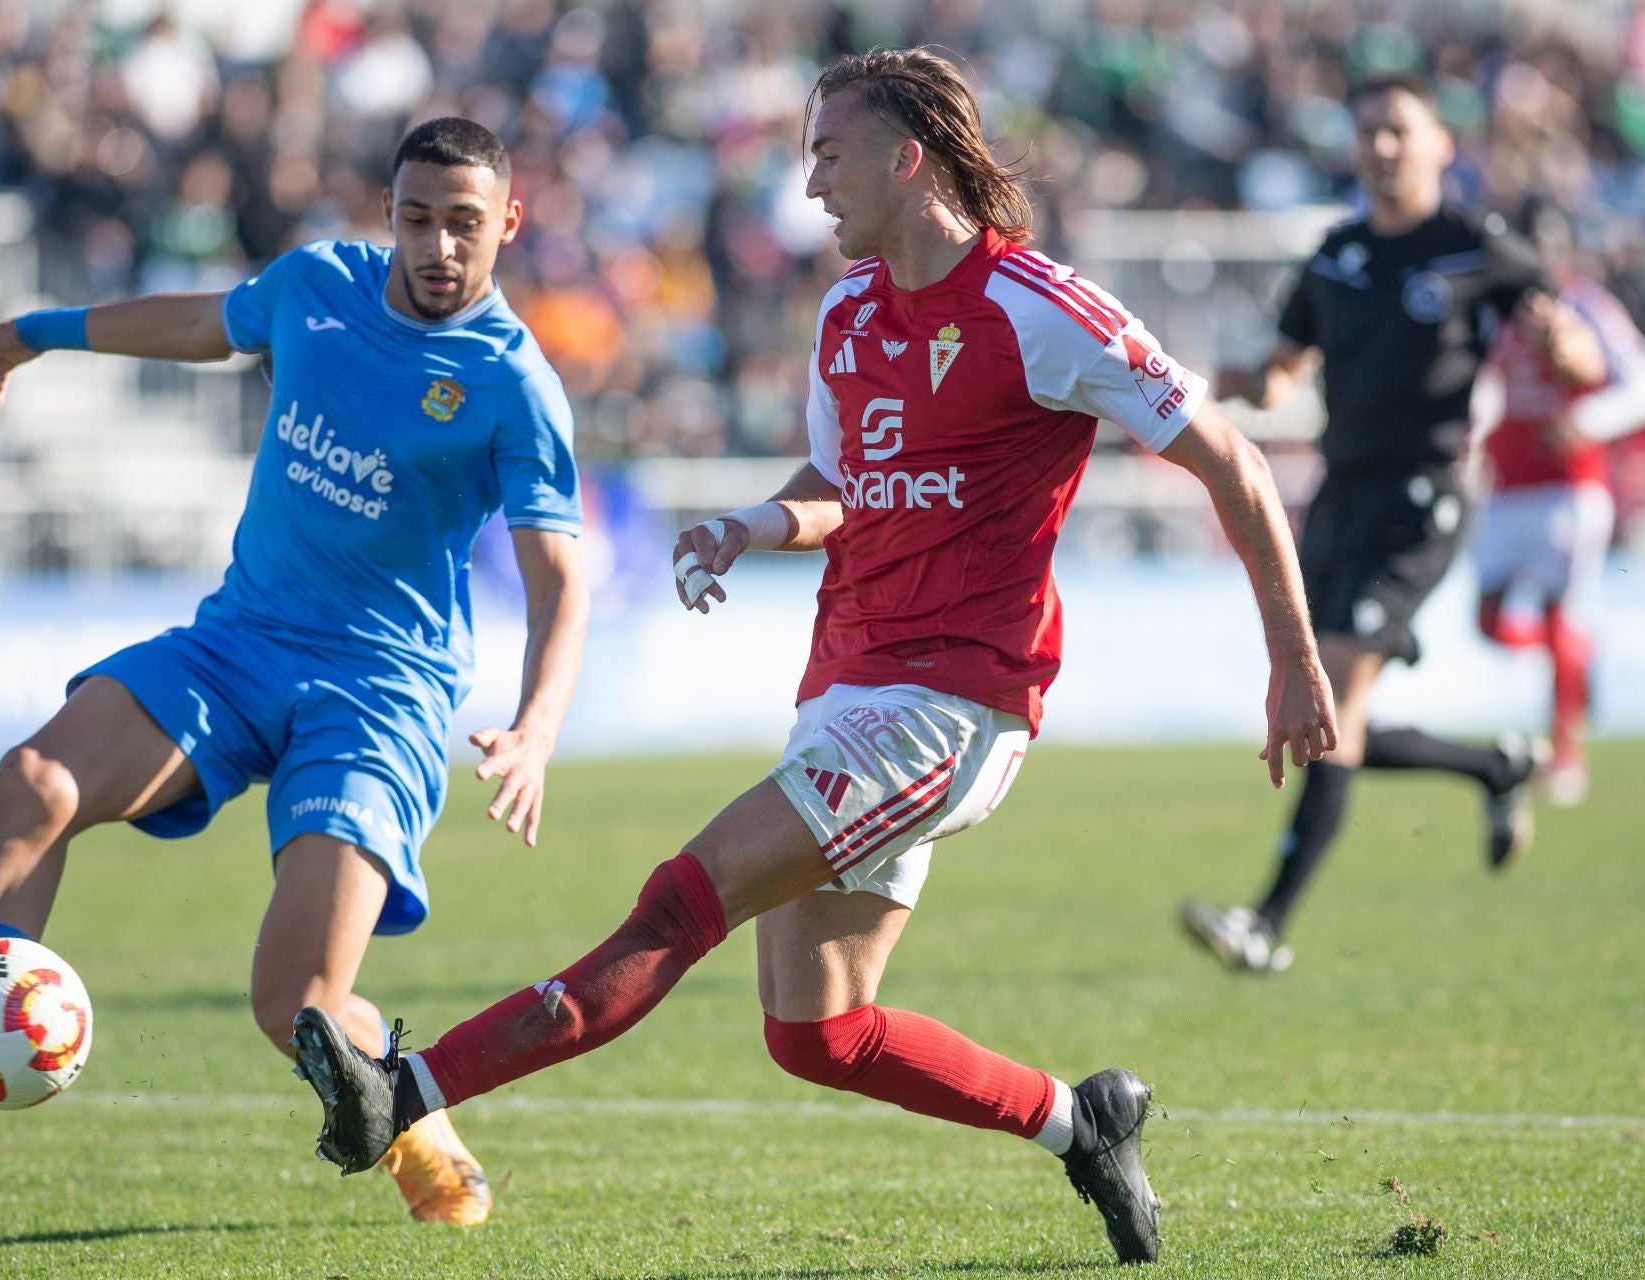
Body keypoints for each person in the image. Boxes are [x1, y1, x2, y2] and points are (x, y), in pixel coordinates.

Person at [284, 48, 1336, 1268]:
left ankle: (404, 1088)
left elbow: (1234, 461)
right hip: (846, 689)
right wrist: (753, 523)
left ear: (909, 157)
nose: (813, 185)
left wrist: (1293, 658)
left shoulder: (1039, 308)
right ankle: (1080, 1120)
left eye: (830, 155)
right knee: (817, 1032)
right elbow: (846, 487)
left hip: (954, 704)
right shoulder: (848, 315)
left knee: (684, 897)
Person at [0, 118, 590, 1227]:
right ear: (389, 211)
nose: (438, 246)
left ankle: (422, 1122)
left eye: (464, 224)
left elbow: (561, 579)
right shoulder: (315, 284)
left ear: (508, 222)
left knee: (295, 999)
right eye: (416, 219)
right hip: (239, 645)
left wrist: (537, 725)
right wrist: (36, 331)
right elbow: (204, 324)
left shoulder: (514, 384)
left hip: (380, 693)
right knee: (37, 781)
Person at [1182, 75, 1607, 975]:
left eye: (1398, 131)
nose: (1381, 146)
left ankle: (1264, 925)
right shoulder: (1335, 254)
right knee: (1336, 716)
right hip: (1341, 496)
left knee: (1329, 695)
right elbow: (1286, 370)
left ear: (1439, 146)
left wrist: (1559, 347)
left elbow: (1579, 357)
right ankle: (1496, 768)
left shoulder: (1473, 246)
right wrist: (1241, 381)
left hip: (1426, 496)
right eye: (1368, 130)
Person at [1473, 197, 1645, 807]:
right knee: (1487, 620)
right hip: (1506, 488)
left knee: (1562, 612)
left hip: (1571, 486)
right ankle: (1577, 667)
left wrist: (1588, 418)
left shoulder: (1585, 304)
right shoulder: (1491, 311)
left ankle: (1566, 755)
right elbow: (1479, 385)